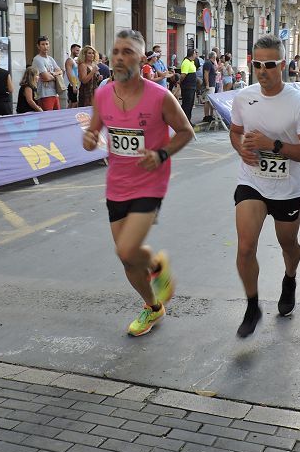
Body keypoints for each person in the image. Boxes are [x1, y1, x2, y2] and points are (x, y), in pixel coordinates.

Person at [82, 29, 195, 337]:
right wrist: (89, 139)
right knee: (128, 259)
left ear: (142, 59)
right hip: (116, 183)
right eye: (116, 51)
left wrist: (160, 153)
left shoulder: (160, 96)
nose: (119, 57)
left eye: (128, 52)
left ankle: (156, 265)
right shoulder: (103, 94)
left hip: (150, 182)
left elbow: (186, 132)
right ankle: (153, 306)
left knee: (126, 250)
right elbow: (92, 137)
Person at [230, 34, 300, 337]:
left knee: (288, 245)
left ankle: (290, 277)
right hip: (252, 182)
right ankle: (253, 305)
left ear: (282, 64)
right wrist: (240, 148)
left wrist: (274, 144)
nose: (263, 71)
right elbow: (236, 130)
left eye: (269, 64)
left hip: (287, 188)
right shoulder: (244, 97)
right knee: (245, 247)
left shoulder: (299, 103)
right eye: (257, 65)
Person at [31, 35, 63, 111]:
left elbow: (61, 71)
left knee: (57, 117)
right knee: (48, 118)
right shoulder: (37, 59)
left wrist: (53, 74)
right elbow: (46, 77)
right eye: (42, 44)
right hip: (44, 94)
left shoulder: (50, 58)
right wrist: (56, 75)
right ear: (38, 46)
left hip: (55, 93)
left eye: (47, 44)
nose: (45, 46)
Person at [179, 48, 199, 121]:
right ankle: (184, 120)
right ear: (192, 54)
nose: (196, 55)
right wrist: (179, 82)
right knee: (186, 105)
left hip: (192, 86)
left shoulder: (192, 62)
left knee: (190, 105)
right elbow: (183, 74)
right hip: (187, 87)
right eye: (195, 53)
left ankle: (188, 120)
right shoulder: (186, 62)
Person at [202, 51, 219, 122]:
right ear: (214, 57)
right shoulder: (208, 63)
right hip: (210, 84)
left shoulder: (211, 64)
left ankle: (210, 115)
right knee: (207, 100)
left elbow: (212, 73)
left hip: (212, 84)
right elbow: (206, 74)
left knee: (209, 101)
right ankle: (206, 116)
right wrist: (207, 84)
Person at [64, 43, 81, 109]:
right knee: (74, 103)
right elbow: (70, 73)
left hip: (74, 83)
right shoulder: (69, 60)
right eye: (77, 50)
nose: (78, 52)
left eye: (79, 51)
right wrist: (73, 85)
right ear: (72, 50)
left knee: (72, 102)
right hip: (70, 84)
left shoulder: (74, 61)